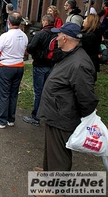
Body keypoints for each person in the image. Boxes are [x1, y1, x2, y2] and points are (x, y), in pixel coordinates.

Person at [37, 22, 98, 171]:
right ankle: (48, 173)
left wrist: (82, 116)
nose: (56, 38)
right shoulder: (69, 55)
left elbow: (87, 97)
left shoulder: (79, 63)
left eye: (58, 35)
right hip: (56, 112)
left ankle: (56, 191)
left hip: (63, 116)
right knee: (51, 149)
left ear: (65, 38)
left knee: (59, 154)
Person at [0, 12, 28, 128]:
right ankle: (11, 119)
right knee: (13, 94)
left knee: (3, 94)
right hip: (19, 67)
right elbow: (25, 51)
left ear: (9, 22)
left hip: (6, 67)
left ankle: (1, 120)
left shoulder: (5, 36)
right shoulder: (24, 36)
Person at [23, 14, 56, 126]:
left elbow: (30, 47)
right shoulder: (56, 34)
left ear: (45, 22)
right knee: (48, 91)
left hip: (40, 65)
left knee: (38, 92)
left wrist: (34, 53)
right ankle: (47, 115)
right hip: (51, 65)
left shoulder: (41, 34)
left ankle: (35, 117)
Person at [81, 14, 102, 81]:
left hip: (88, 62)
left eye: (86, 19)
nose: (83, 20)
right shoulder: (93, 33)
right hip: (90, 61)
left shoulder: (91, 36)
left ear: (90, 22)